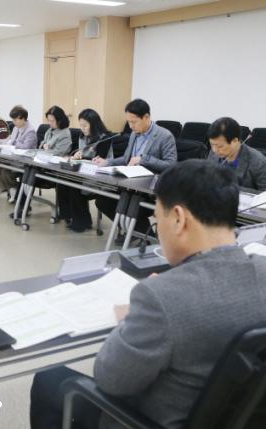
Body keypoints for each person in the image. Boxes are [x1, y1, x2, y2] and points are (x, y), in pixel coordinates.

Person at [30, 159, 266, 429]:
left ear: (178, 218)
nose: (157, 228)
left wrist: (129, 318)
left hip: (147, 421)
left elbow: (111, 379)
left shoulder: (159, 297)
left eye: (156, 218)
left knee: (49, 379)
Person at [94, 99, 177, 237]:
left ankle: (146, 237)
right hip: (128, 184)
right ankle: (132, 232)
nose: (130, 126)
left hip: (147, 189)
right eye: (128, 122)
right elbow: (127, 159)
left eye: (134, 122)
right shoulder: (134, 134)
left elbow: (171, 165)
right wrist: (107, 162)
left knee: (131, 206)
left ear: (146, 117)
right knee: (103, 201)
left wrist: (144, 159)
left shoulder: (164, 136)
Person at [60, 109, 111, 232]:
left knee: (74, 183)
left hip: (99, 176)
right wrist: (76, 156)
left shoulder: (105, 138)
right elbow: (81, 154)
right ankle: (69, 216)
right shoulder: (82, 136)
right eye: (81, 125)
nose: (82, 129)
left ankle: (82, 222)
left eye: (85, 126)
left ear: (94, 124)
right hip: (83, 172)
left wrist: (82, 157)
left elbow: (98, 161)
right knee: (62, 181)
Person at [208, 117, 266, 192]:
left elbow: (264, 194)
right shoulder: (213, 153)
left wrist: (230, 188)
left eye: (220, 146)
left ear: (235, 141)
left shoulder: (259, 162)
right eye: (212, 145)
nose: (214, 150)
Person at [0, 105, 38, 201]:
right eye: (13, 120)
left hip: (25, 162)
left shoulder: (30, 131)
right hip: (14, 157)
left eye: (15, 120)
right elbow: (9, 140)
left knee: (5, 171)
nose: (13, 122)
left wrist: (14, 142)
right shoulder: (16, 128)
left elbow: (25, 147)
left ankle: (15, 189)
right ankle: (11, 189)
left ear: (23, 119)